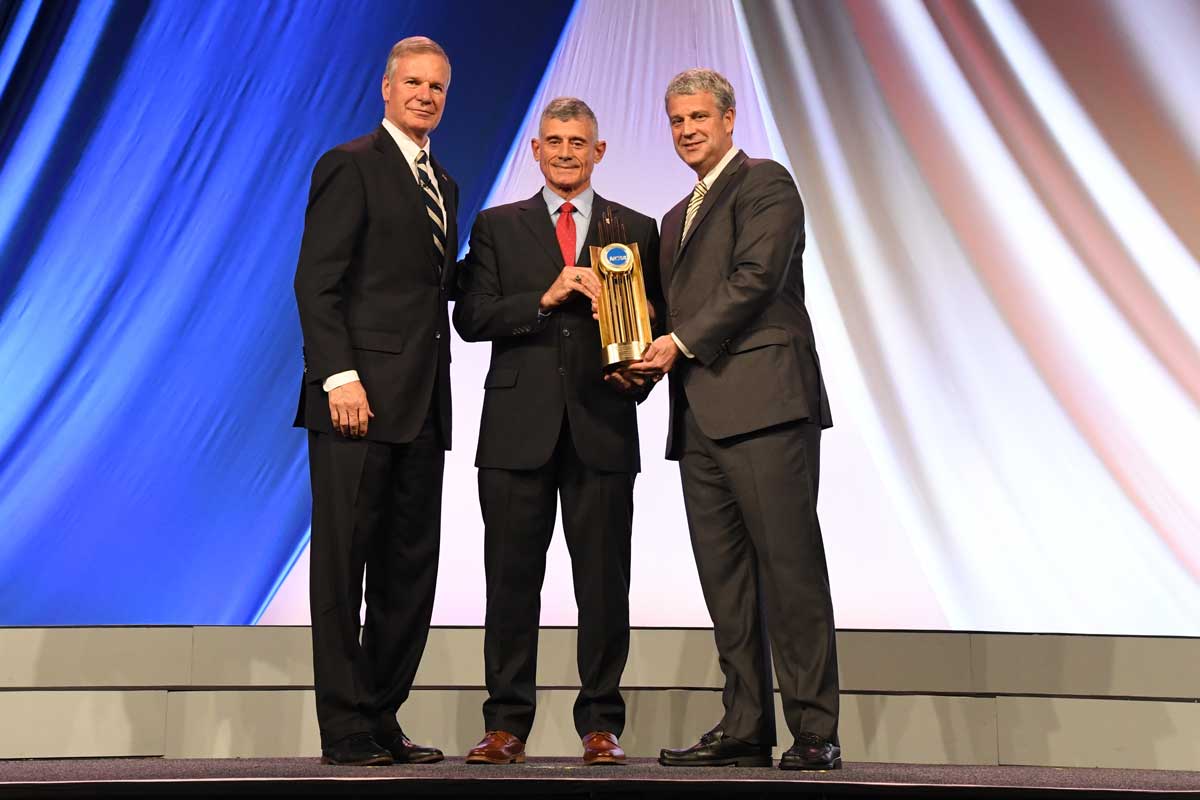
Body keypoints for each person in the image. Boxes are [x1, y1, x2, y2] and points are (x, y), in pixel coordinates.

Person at [629, 68, 840, 771]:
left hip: (767, 408)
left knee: (790, 572)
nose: (687, 130)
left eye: (698, 117)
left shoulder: (766, 183)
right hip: (698, 419)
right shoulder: (670, 220)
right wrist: (629, 350)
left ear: (728, 119)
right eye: (676, 121)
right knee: (727, 583)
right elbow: (664, 314)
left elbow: (754, 279)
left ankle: (814, 730)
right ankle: (745, 724)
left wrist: (677, 344)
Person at [453, 97, 660, 767]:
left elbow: (651, 329)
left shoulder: (636, 227)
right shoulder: (496, 226)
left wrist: (643, 377)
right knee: (510, 580)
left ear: (599, 153)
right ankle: (506, 724)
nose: (566, 151)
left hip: (602, 426)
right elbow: (473, 317)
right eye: (554, 141)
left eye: (579, 142)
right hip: (517, 430)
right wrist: (543, 298)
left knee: (604, 584)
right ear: (535, 151)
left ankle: (601, 723)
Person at [292, 36, 457, 767]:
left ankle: (382, 713)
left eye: (438, 87)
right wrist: (339, 378)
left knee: (409, 572)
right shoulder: (349, 165)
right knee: (342, 570)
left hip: (423, 407)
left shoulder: (443, 184)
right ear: (386, 88)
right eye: (414, 83)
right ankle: (346, 726)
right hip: (354, 405)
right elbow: (316, 283)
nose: (425, 95)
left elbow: (433, 293)